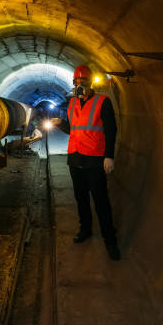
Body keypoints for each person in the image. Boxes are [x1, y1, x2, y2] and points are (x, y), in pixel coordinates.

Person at [53, 64, 120, 260]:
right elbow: (74, 129)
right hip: (75, 158)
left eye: (83, 82)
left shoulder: (103, 102)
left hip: (94, 159)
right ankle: (86, 229)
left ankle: (110, 241)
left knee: (101, 201)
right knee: (80, 198)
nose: (80, 86)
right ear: (73, 84)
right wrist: (60, 124)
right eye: (76, 83)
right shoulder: (72, 103)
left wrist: (109, 156)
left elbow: (111, 130)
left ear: (91, 84)